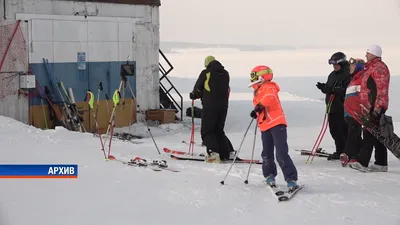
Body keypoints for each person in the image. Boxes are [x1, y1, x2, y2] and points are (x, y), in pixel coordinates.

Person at [248, 65, 298, 190]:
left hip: (277, 124)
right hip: (265, 126)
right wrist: (257, 112)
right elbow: (261, 105)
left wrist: (259, 106)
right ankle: (269, 175)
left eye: (254, 76)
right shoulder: (258, 91)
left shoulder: (269, 87)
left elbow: (269, 98)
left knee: (281, 153)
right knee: (266, 153)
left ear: (262, 76)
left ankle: (291, 179)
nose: (253, 79)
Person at [347, 45, 390, 172]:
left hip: (375, 106)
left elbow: (382, 89)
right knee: (377, 134)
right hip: (369, 106)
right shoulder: (371, 67)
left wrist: (378, 107)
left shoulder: (379, 68)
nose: (366, 55)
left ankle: (362, 163)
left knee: (369, 133)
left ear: (374, 54)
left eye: (368, 53)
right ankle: (381, 163)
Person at [189, 55, 231, 163]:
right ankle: (225, 153)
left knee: (207, 130)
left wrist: (194, 95)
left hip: (210, 106)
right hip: (224, 106)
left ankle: (213, 153)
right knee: (218, 130)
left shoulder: (206, 73)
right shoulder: (225, 74)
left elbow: (198, 89)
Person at [316, 52, 351, 160]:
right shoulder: (332, 74)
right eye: (333, 65)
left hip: (343, 108)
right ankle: (339, 151)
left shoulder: (348, 73)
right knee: (334, 131)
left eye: (336, 64)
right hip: (332, 108)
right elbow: (330, 88)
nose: (334, 66)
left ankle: (349, 153)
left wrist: (332, 90)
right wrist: (324, 88)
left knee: (344, 131)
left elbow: (347, 90)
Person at [339, 58, 366, 166]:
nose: (350, 68)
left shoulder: (362, 78)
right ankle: (354, 155)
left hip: (356, 112)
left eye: (353, 66)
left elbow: (364, 95)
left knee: (353, 133)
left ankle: (349, 154)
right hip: (348, 113)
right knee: (354, 134)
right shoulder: (353, 79)